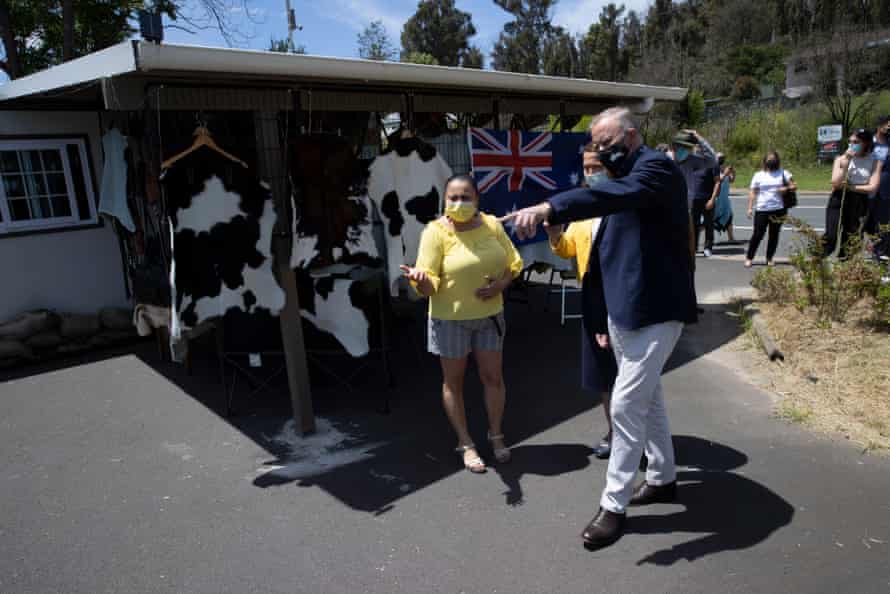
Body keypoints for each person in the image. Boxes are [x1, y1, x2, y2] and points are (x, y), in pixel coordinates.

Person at [505, 107, 697, 549]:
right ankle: (664, 478)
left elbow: (604, 199)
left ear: (631, 136)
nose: (599, 153)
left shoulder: (655, 170)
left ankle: (613, 506)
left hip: (656, 312)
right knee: (650, 403)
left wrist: (551, 205)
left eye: (606, 143)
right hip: (625, 312)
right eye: (593, 145)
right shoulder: (622, 181)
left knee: (627, 406)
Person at [400, 174, 523, 474]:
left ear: (477, 199)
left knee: (493, 378)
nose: (459, 203)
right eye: (453, 198)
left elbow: (513, 264)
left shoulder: (492, 225)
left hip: (490, 317)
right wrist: (421, 280)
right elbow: (429, 287)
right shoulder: (435, 232)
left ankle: (496, 435)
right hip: (450, 321)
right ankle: (465, 443)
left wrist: (500, 286)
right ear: (444, 202)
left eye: (466, 196)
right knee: (453, 384)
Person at [545, 145, 618, 460]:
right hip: (592, 300)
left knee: (628, 376)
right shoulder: (583, 209)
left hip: (620, 299)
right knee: (603, 375)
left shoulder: (625, 203)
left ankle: (637, 437)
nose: (591, 173)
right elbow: (567, 249)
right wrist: (553, 234)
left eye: (596, 166)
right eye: (586, 168)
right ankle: (615, 432)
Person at [824, 130, 882, 258]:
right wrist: (846, 165)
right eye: (849, 142)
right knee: (831, 235)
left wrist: (850, 187)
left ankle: (844, 265)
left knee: (850, 237)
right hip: (838, 198)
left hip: (859, 201)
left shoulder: (875, 161)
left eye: (856, 142)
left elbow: (872, 187)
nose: (851, 145)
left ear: (866, 143)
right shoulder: (841, 158)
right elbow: (835, 183)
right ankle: (818, 260)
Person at [673, 130, 721, 257]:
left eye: (688, 148)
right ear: (674, 146)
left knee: (703, 225)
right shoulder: (663, 160)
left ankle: (700, 249)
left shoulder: (692, 161)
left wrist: (699, 138)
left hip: (690, 205)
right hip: (672, 210)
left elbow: (713, 160)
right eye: (682, 147)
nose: (685, 151)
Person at [745, 151, 796, 267]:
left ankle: (769, 258)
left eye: (773, 159)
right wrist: (749, 208)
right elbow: (753, 192)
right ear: (765, 161)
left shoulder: (784, 173)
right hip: (762, 209)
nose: (771, 161)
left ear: (777, 160)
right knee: (757, 234)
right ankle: (749, 257)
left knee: (774, 234)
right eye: (769, 159)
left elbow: (794, 186)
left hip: (778, 209)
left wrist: (786, 188)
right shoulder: (758, 175)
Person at [869, 116, 890, 260]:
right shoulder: (867, 142)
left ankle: (882, 255)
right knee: (867, 225)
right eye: (887, 125)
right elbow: (851, 155)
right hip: (868, 191)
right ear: (879, 125)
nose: (889, 127)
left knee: (884, 226)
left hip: (886, 192)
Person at [711, 153, 736, 242]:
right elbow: (717, 181)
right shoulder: (713, 169)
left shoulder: (724, 169)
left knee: (729, 217)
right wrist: (725, 174)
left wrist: (733, 172)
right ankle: (695, 238)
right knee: (708, 220)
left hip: (724, 200)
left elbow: (732, 180)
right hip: (716, 199)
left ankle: (731, 238)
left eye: (723, 157)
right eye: (720, 157)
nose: (722, 159)